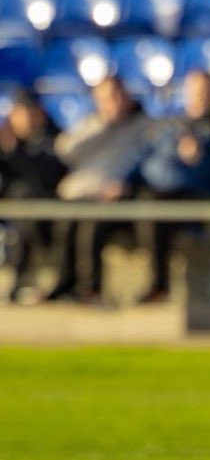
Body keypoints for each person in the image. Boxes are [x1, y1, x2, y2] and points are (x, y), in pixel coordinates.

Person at [47, 76, 153, 301]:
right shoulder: (91, 123)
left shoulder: (142, 126)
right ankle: (64, 284)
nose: (113, 102)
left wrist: (126, 184)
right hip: (81, 195)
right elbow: (64, 150)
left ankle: (90, 289)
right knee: (65, 225)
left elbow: (145, 160)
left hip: (118, 197)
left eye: (116, 95)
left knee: (91, 227)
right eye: (106, 98)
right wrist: (103, 123)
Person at [134, 68, 210, 301]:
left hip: (197, 201)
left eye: (206, 92)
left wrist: (195, 163)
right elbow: (147, 161)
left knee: (156, 207)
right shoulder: (170, 127)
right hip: (155, 191)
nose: (200, 97)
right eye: (195, 91)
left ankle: (159, 286)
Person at [0, 90, 66, 302]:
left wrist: (14, 152)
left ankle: (23, 281)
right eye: (20, 113)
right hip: (11, 207)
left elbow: (46, 176)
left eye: (30, 112)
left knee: (26, 212)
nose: (26, 118)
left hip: (45, 208)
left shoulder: (53, 140)